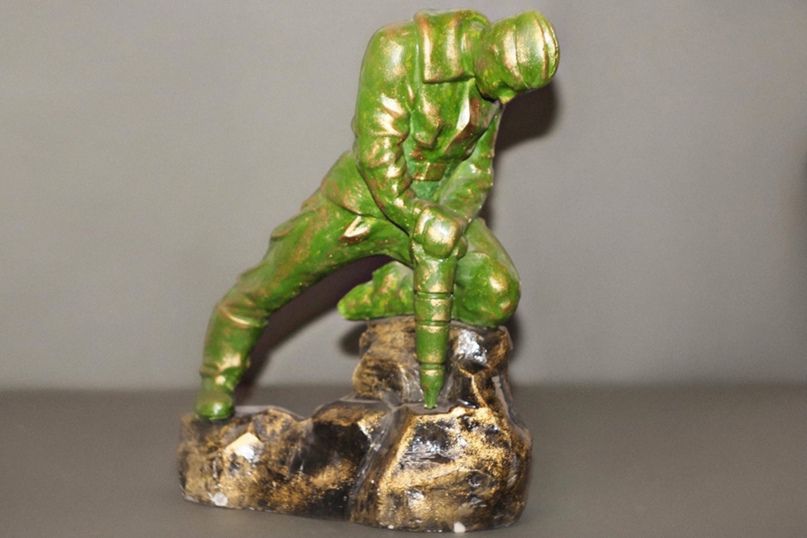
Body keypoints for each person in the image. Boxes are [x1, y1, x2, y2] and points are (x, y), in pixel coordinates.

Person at [195, 9, 559, 419]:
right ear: (491, 48)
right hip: (362, 205)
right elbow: (377, 153)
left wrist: (452, 219)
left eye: (517, 91)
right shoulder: (399, 48)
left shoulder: (493, 81)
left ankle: (392, 288)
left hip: (435, 217)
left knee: (496, 292)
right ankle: (216, 381)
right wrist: (419, 217)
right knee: (262, 290)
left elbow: (475, 170)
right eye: (508, 84)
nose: (507, 98)